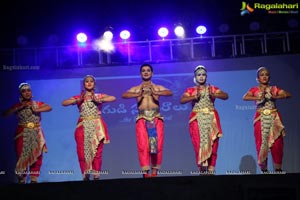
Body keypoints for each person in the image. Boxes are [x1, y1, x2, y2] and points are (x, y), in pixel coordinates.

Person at [121, 63, 173, 178]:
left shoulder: (157, 87)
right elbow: (124, 95)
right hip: (142, 118)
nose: (146, 72)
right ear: (140, 74)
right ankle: (145, 173)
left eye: (148, 70)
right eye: (143, 70)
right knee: (143, 146)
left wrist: (156, 93)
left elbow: (170, 92)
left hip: (156, 118)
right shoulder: (136, 88)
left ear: (152, 73)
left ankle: (154, 172)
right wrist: (138, 93)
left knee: (157, 146)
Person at [62, 75, 116, 181]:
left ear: (94, 84)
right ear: (84, 84)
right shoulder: (79, 97)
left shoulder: (98, 96)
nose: (89, 83)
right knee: (82, 152)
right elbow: (64, 103)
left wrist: (99, 100)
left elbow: (113, 98)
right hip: (83, 126)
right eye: (87, 81)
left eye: (91, 81)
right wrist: (77, 100)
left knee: (97, 152)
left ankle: (96, 176)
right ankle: (85, 175)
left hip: (97, 126)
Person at [180, 65, 228, 175]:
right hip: (197, 119)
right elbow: (182, 100)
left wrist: (215, 94)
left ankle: (211, 170)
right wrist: (193, 97)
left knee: (214, 145)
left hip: (212, 119)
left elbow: (225, 96)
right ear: (195, 77)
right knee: (199, 145)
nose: (201, 77)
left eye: (203, 75)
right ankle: (202, 171)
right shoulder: (191, 90)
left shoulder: (212, 88)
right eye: (199, 75)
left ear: (206, 76)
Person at [242, 66, 291, 174]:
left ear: (269, 77)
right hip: (260, 119)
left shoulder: (274, 88)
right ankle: (264, 171)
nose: (264, 77)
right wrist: (258, 98)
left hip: (274, 117)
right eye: (262, 75)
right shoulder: (254, 90)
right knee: (261, 143)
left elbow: (287, 94)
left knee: (278, 144)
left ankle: (278, 170)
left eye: (266, 74)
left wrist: (277, 96)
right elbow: (245, 97)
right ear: (258, 78)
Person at [2, 83, 52, 184]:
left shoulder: (37, 104)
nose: (27, 92)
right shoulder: (18, 106)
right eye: (24, 91)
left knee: (37, 155)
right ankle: (22, 179)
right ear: (21, 94)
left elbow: (49, 107)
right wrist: (18, 108)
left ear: (31, 92)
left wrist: (36, 109)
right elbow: (5, 114)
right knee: (22, 155)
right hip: (22, 133)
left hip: (37, 132)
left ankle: (34, 178)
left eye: (28, 90)